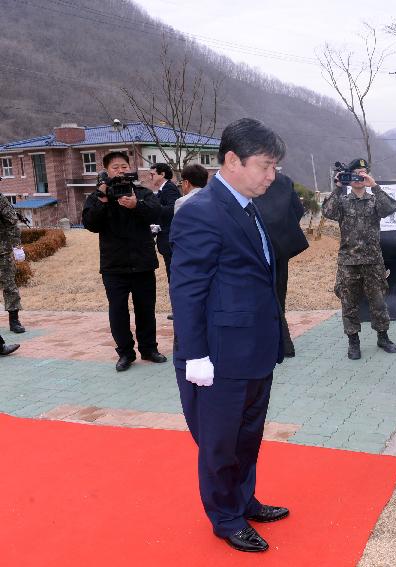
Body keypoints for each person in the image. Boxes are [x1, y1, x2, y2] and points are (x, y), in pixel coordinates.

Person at [169, 118, 289, 553]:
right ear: (232, 160)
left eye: (275, 166)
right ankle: (225, 517)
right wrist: (195, 354)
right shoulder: (202, 211)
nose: (271, 175)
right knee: (220, 444)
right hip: (218, 357)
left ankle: (243, 499)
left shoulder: (247, 205)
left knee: (248, 435)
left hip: (254, 350)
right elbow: (187, 289)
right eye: (264, 165)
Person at [82, 151, 167, 372]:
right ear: (106, 171)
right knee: (118, 311)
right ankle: (125, 353)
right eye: (114, 167)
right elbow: (90, 223)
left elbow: (156, 214)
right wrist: (102, 196)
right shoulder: (99, 197)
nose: (120, 170)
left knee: (145, 309)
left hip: (143, 263)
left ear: (130, 168)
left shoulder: (142, 193)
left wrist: (135, 205)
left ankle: (149, 349)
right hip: (114, 265)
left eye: (123, 166)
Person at [322, 158, 396, 360]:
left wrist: (375, 187)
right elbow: (328, 212)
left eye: (362, 173)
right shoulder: (343, 201)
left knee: (379, 302)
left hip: (373, 261)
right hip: (349, 262)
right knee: (349, 304)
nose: (358, 177)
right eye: (355, 173)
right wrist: (338, 187)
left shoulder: (374, 201)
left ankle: (383, 336)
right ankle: (353, 341)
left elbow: (390, 209)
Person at [255, 171, 309, 358]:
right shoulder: (284, 180)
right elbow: (298, 209)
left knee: (259, 296)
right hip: (280, 246)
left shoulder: (247, 176)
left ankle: (272, 343)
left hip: (255, 246)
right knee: (279, 293)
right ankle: (283, 343)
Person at [148, 163, 181, 282]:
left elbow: (173, 208)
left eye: (152, 174)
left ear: (162, 174)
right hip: (165, 237)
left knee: (173, 276)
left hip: (170, 237)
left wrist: (153, 208)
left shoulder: (169, 188)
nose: (150, 177)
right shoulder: (163, 190)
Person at [0, 193, 26, 333]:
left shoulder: (0, 199)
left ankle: (14, 320)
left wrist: (17, 247)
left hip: (2, 251)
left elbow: (12, 224)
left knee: (9, 285)